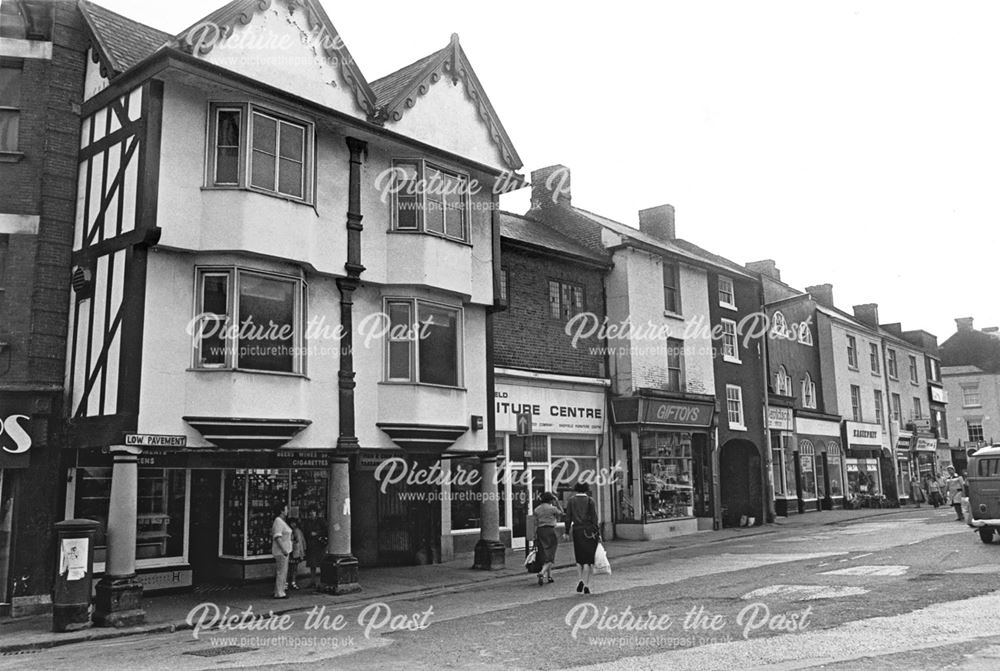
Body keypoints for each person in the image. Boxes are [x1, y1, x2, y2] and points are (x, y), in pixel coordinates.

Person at [564, 482, 600, 595]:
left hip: (577, 531)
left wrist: (566, 531)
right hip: (589, 531)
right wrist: (598, 533)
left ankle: (580, 579)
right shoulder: (590, 501)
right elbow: (594, 518)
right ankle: (587, 584)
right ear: (586, 489)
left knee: (579, 558)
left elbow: (568, 517)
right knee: (588, 560)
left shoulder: (571, 501)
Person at [532, 492, 563, 586]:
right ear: (551, 500)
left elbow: (535, 523)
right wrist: (557, 502)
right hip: (550, 531)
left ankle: (550, 576)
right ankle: (542, 573)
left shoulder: (537, 509)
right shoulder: (552, 508)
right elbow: (561, 512)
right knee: (551, 554)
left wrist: (534, 535)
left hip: (540, 531)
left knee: (544, 553)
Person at [271, 503, 292, 599]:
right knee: (282, 571)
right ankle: (279, 593)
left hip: (284, 551)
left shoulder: (281, 521)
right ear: (282, 511)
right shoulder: (278, 521)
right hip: (281, 551)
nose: (287, 511)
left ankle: (279, 590)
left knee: (283, 571)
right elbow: (277, 537)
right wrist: (284, 549)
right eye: (286, 509)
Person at [287, 518, 306, 590]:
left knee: (294, 568)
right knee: (289, 568)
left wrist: (303, 550)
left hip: (296, 552)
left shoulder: (298, 531)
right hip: (291, 551)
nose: (293, 524)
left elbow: (302, 541)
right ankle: (287, 582)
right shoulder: (290, 531)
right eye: (291, 523)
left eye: (294, 523)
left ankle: (293, 582)